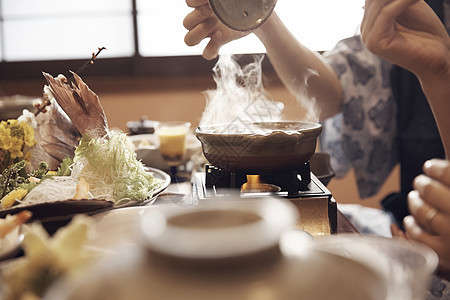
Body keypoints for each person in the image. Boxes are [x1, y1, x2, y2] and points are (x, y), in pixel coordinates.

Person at [183, 0, 449, 229]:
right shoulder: (414, 10)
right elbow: (332, 95)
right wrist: (261, 19)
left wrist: (440, 73)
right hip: (417, 222)